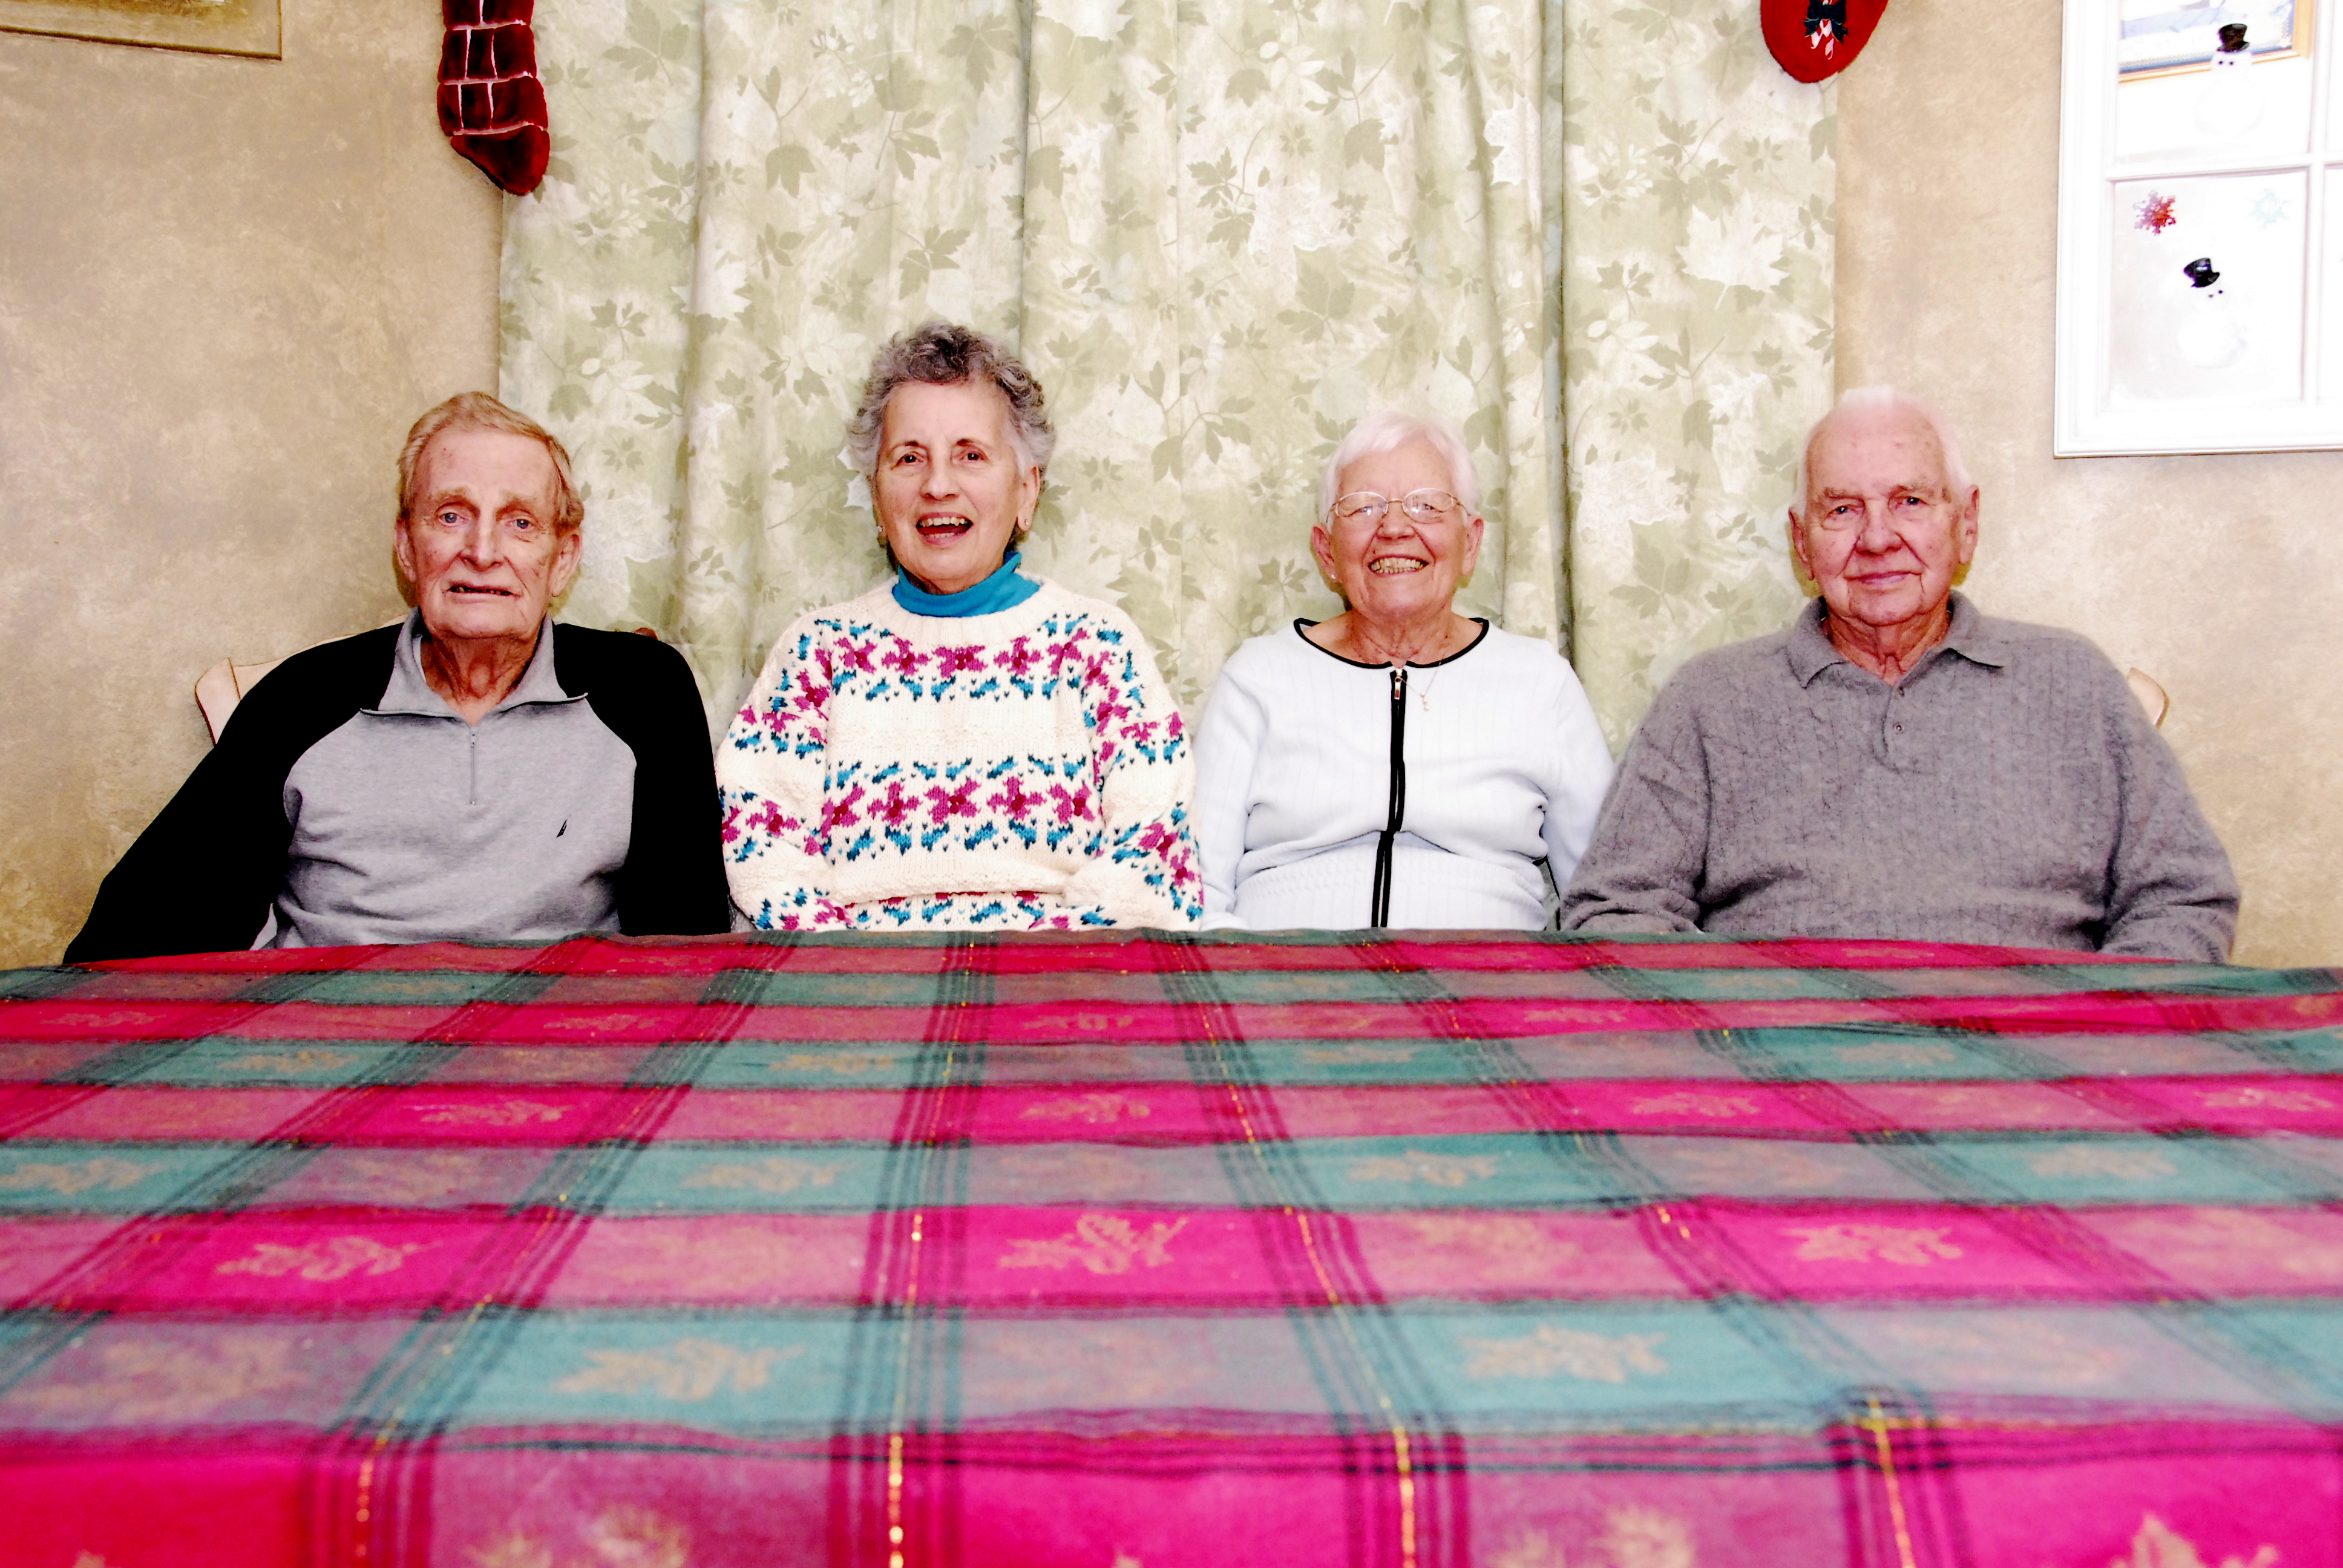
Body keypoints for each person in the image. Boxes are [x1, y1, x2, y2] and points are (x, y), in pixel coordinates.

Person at [1559, 385, 2238, 960]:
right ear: (1802, 542)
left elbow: (2181, 896)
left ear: (1965, 523)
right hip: (1787, 1061)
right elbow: (1617, 909)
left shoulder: (2074, 682)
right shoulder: (1708, 699)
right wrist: (1735, 1030)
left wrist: (2094, 1026)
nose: (1878, 538)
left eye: (1909, 501)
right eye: (1842, 509)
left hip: (2037, 1055)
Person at [66, 393, 730, 961]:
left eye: (520, 523)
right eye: (450, 516)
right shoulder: (301, 700)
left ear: (562, 560)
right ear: (407, 548)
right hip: (326, 1050)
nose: (482, 551)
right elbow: (130, 939)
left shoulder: (646, 694)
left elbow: (684, 948)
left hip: (552, 1052)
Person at [719, 322, 1199, 930]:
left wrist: (1033, 976)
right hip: (857, 985)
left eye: (970, 455)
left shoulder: (1098, 645)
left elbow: (1152, 865)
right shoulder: (817, 654)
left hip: (1057, 983)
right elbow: (761, 855)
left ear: (1026, 491)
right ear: (876, 495)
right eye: (909, 459)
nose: (937, 486)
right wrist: (860, 977)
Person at [1193, 411, 1615, 929]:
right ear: (1326, 552)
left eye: (1427, 505)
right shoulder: (1257, 678)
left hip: (1486, 988)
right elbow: (1196, 890)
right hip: (1284, 986)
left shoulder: (1540, 684)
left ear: (1471, 544)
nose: (1394, 528)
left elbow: (1607, 894)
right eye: (1363, 508)